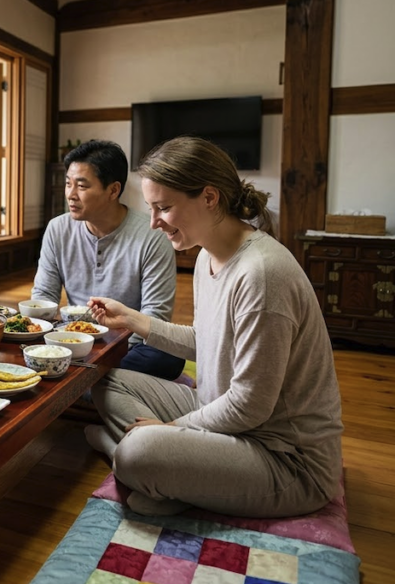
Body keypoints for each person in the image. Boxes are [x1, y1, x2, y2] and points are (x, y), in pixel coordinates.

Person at [85, 136, 343, 518]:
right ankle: (173, 478)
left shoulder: (262, 273)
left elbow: (250, 405)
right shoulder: (207, 255)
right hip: (220, 413)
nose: (154, 223)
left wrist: (170, 429)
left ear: (209, 197)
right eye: (151, 209)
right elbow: (209, 341)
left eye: (164, 208)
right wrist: (133, 319)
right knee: (107, 380)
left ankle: (131, 459)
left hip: (285, 459)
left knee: (139, 451)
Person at [32, 140, 184, 381]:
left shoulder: (152, 235)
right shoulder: (57, 229)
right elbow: (44, 297)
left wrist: (108, 352)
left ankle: (83, 377)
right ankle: (97, 380)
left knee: (168, 356)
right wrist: (46, 337)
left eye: (82, 186)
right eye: (68, 183)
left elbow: (155, 315)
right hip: (73, 338)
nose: (71, 194)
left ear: (113, 190)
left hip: (128, 344)